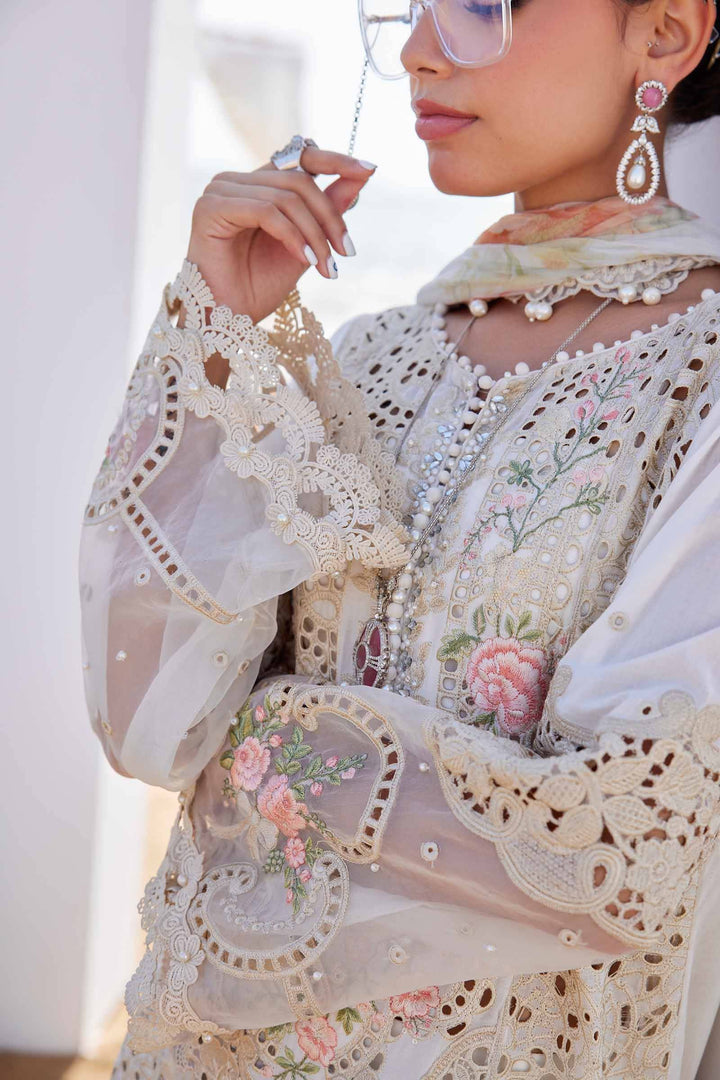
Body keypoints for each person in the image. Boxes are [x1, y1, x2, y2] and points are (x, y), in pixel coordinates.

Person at [79, 1, 720, 1077]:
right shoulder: (369, 367)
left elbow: (624, 850)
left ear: (662, 34)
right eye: (414, 6)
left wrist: (276, 751)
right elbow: (155, 723)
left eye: (484, 6)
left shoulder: (699, 386)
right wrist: (216, 341)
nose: (423, 47)